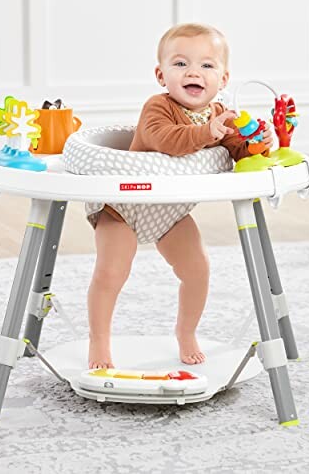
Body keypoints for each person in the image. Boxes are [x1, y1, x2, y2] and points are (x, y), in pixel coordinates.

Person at [85, 23, 274, 369]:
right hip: (125, 206)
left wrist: (256, 143)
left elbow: (240, 153)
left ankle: (186, 331)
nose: (193, 72)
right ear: (161, 74)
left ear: (224, 79)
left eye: (206, 65)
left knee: (197, 269)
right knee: (111, 273)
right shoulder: (157, 107)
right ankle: (99, 341)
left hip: (170, 211)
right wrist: (206, 132)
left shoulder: (221, 116)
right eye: (181, 64)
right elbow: (165, 140)